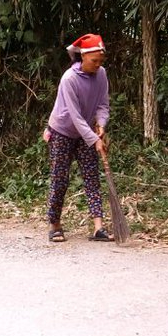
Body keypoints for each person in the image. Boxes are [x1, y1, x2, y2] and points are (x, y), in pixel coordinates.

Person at [44, 33, 112, 243]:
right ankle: (54, 225)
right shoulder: (69, 79)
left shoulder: (101, 74)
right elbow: (74, 116)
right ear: (82, 57)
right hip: (63, 131)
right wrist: (95, 139)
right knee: (60, 179)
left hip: (87, 132)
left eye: (101, 61)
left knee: (92, 177)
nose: (98, 65)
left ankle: (98, 228)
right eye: (94, 61)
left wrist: (101, 125)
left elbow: (102, 104)